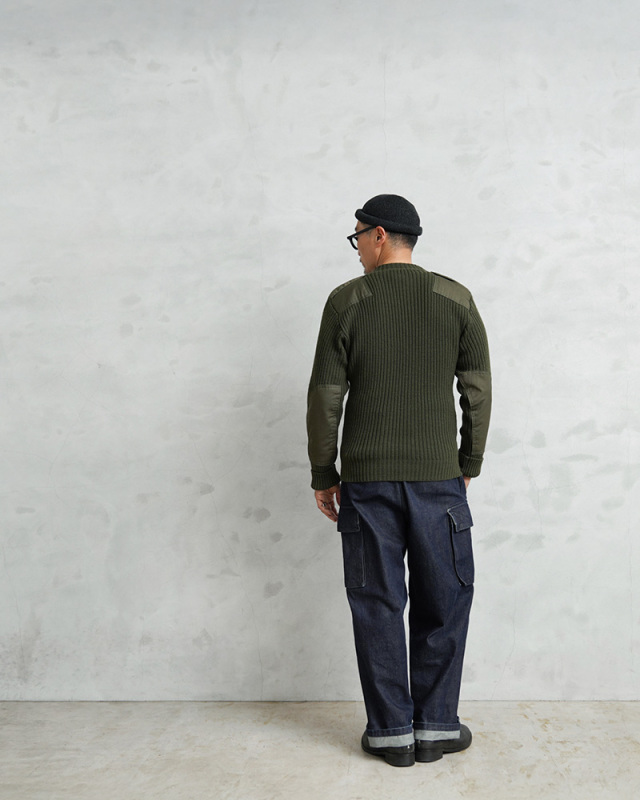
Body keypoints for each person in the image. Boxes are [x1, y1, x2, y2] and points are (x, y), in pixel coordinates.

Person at [306, 194, 491, 767]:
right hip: (438, 480)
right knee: (445, 600)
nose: (357, 247)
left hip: (367, 484)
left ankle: (390, 733)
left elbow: (326, 396)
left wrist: (324, 472)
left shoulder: (347, 300)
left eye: (358, 236)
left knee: (377, 603)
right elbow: (477, 390)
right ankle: (436, 726)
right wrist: (468, 463)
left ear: (380, 235)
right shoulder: (455, 298)